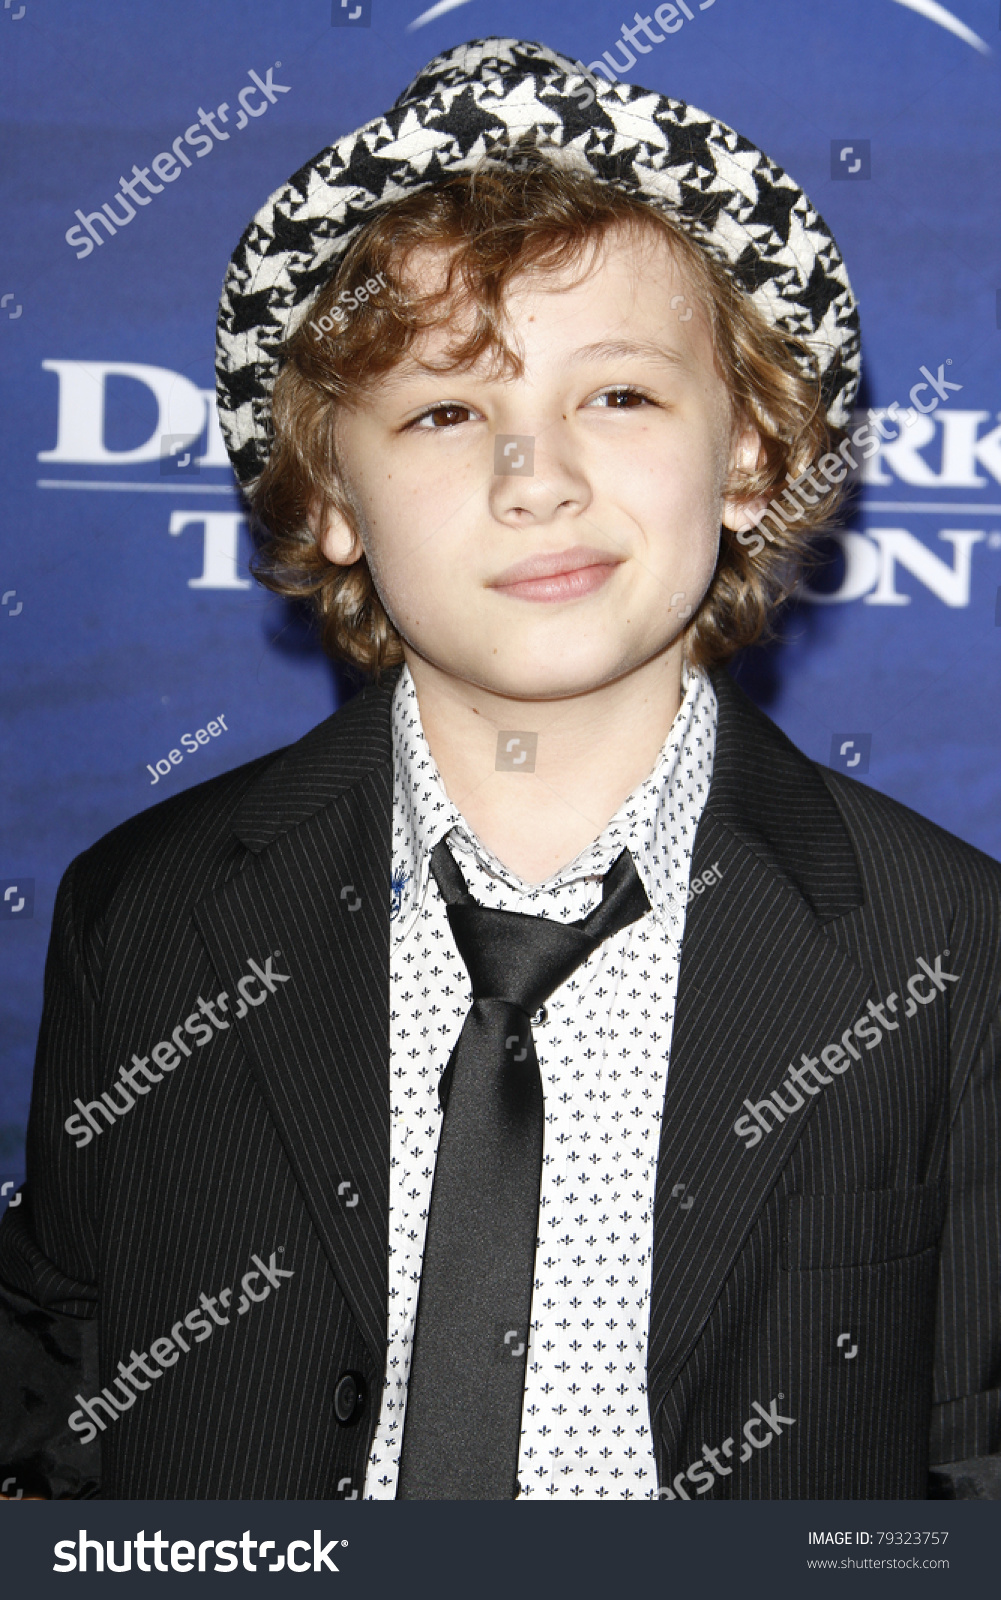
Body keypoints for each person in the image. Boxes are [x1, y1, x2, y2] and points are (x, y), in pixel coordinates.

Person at [1, 36, 998, 1502]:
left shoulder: (951, 947)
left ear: (746, 457)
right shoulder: (142, 915)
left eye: (619, 397)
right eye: (444, 412)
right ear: (333, 498)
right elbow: (61, 1399)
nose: (536, 479)